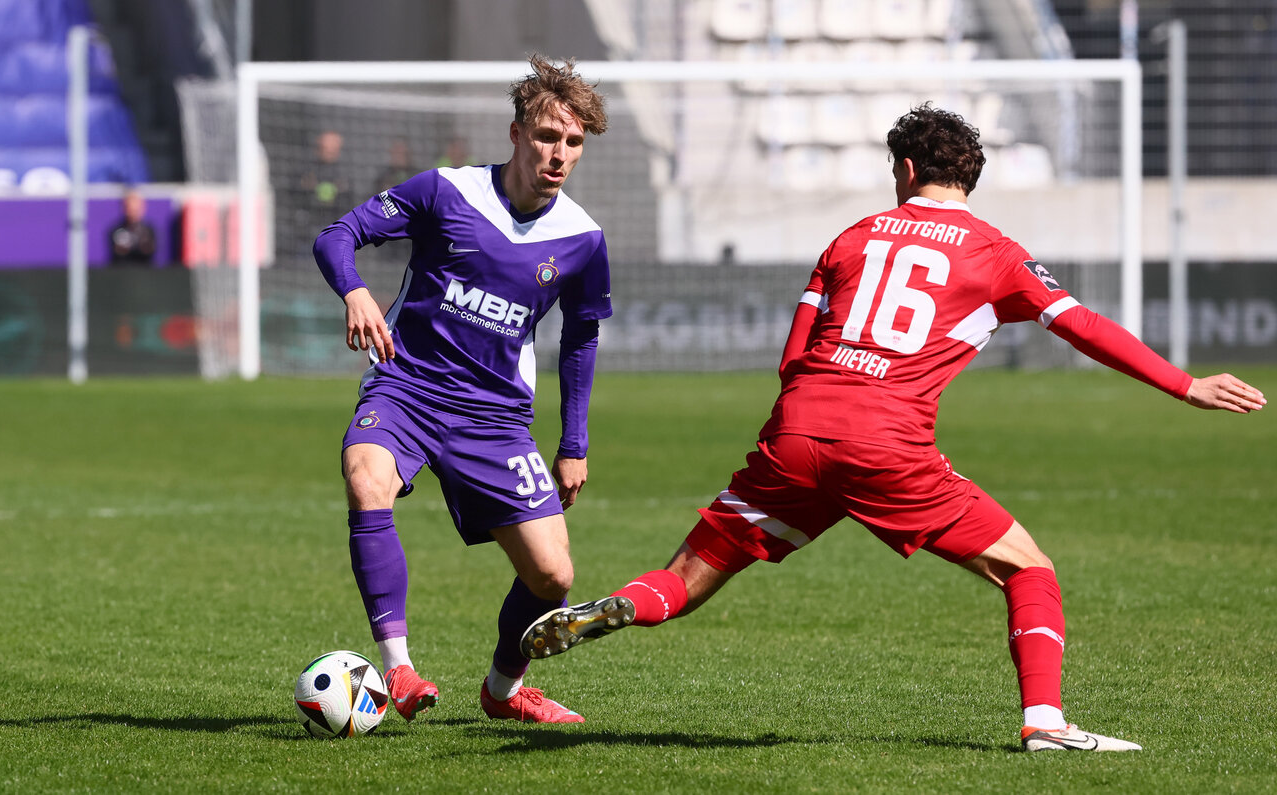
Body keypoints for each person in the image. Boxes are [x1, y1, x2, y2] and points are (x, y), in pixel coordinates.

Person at [520, 103, 1267, 750]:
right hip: (887, 447)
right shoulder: (998, 254)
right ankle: (1045, 723)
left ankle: (628, 601)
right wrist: (1185, 384)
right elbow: (1084, 326)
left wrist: (809, 434)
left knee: (687, 578)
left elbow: (792, 359)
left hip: (797, 435)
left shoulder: (850, 239)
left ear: (906, 169)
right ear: (967, 177)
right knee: (1029, 568)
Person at [312, 54, 610, 725]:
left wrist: (574, 443)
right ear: (516, 133)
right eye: (546, 136)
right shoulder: (446, 192)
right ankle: (398, 669)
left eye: (572, 142)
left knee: (553, 577)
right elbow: (339, 235)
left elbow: (581, 340)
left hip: (494, 418)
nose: (559, 153)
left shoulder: (582, 240)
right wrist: (355, 291)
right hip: (408, 388)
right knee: (366, 479)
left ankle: (503, 690)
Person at [110, 188, 156, 265]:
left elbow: (148, 252)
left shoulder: (149, 231)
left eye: (136, 209)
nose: (132, 212)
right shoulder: (116, 231)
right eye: (129, 208)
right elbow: (119, 254)